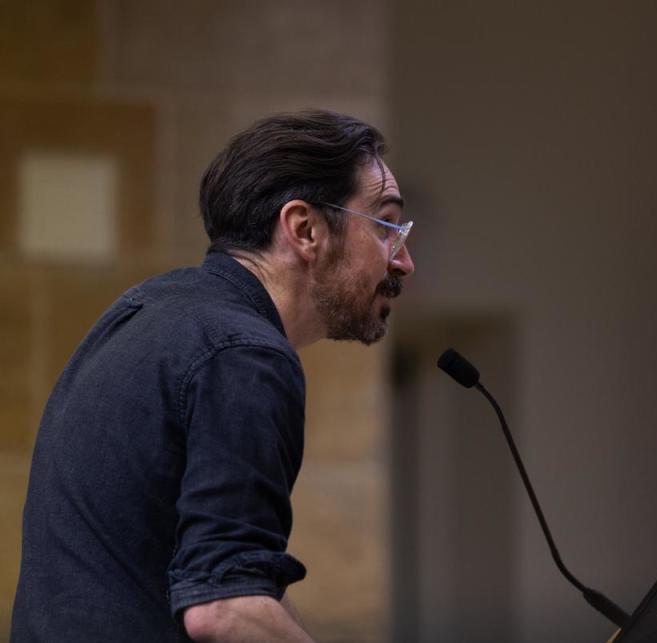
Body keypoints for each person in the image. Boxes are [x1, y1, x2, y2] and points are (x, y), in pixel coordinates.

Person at [11, 110, 415, 641]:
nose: (404, 261)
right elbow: (224, 608)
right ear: (305, 229)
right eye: (387, 226)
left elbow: (230, 579)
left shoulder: (145, 312)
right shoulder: (245, 355)